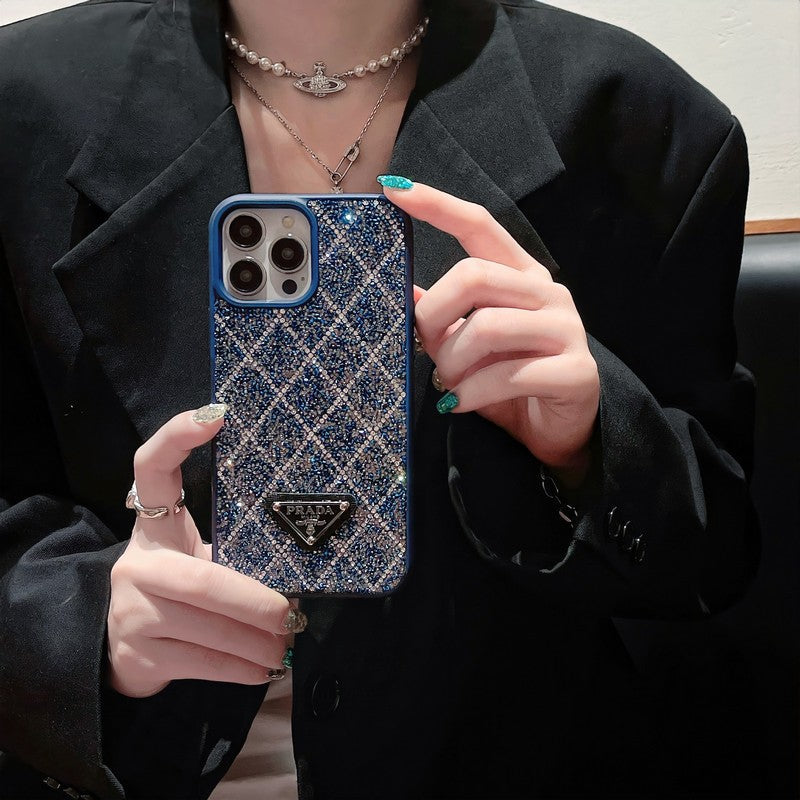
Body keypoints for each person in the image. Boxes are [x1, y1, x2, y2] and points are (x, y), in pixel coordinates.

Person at [0, 0, 759, 798]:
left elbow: (715, 559)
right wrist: (84, 627)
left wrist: (592, 443)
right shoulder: (24, 106)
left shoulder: (639, 121)